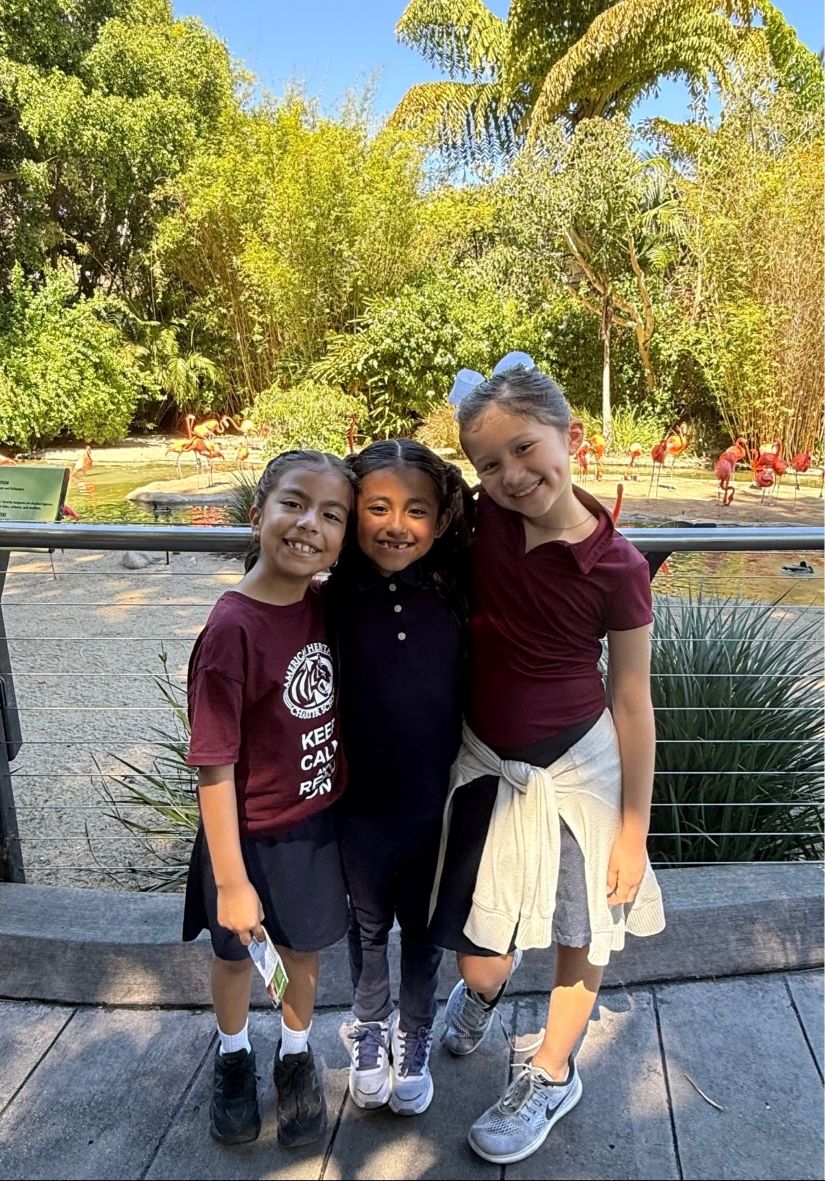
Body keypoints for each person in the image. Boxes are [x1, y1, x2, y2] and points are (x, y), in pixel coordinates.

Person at [429, 362, 666, 1165]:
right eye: (489, 463)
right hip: (485, 766)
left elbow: (630, 700)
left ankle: (552, 1071)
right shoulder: (480, 524)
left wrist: (632, 829)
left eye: (525, 449)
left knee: (580, 927)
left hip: (578, 773)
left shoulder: (617, 567)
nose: (511, 474)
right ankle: (484, 991)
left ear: (570, 436)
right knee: (478, 956)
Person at [182, 449, 356, 1150]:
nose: (309, 523)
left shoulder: (323, 606)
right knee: (234, 955)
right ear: (257, 515)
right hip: (246, 837)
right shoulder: (232, 630)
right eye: (293, 503)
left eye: (332, 515)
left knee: (302, 952)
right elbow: (213, 762)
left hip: (312, 827)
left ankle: (294, 1051)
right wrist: (231, 880)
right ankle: (232, 1055)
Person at [325, 439, 472, 1117]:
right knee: (364, 927)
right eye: (377, 507)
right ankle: (368, 1024)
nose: (396, 524)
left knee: (423, 930)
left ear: (440, 521)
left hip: (433, 806)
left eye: (416, 510)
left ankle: (414, 1033)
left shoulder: (455, 594)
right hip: (356, 806)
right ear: (352, 511)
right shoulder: (330, 600)